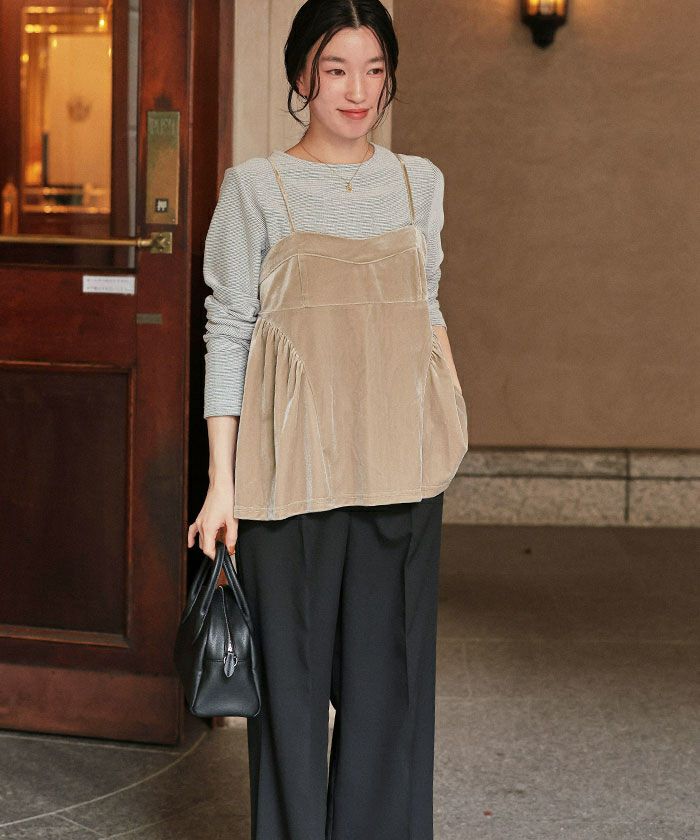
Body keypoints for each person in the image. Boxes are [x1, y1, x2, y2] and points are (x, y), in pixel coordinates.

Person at [187, 1, 468, 837]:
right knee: (292, 702)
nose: (357, 90)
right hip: (288, 480)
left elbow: (427, 308)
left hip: (401, 472)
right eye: (336, 69)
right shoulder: (255, 188)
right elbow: (228, 330)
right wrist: (221, 484)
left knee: (391, 702)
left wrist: (447, 417)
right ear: (301, 75)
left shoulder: (420, 182)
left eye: (374, 70)